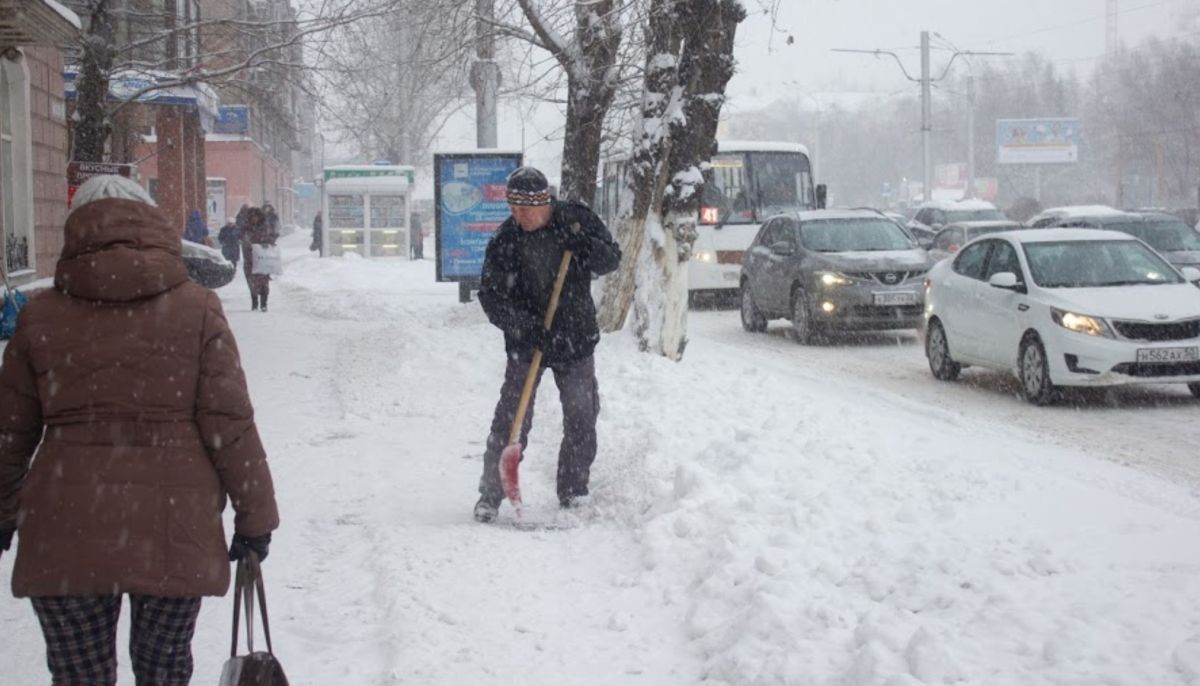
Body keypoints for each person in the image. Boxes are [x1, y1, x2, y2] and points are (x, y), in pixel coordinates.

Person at [0, 174, 279, 685]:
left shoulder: (40, 316)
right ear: (153, 223)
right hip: (174, 524)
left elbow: (10, 431)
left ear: (75, 229)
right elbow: (230, 423)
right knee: (164, 669)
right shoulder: (196, 309)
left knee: (79, 675)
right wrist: (255, 517)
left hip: (65, 525)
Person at [473, 166, 621, 522]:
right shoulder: (506, 239)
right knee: (511, 419)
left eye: (525, 209)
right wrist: (523, 327)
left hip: (575, 338)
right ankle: (491, 495)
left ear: (544, 203)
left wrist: (584, 245)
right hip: (527, 343)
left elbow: (612, 258)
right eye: (513, 208)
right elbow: (491, 297)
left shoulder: (575, 222)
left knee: (581, 415)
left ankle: (573, 491)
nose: (518, 216)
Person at [241, 207, 275, 312]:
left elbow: (271, 239)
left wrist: (266, 243)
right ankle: (254, 303)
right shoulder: (246, 229)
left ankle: (264, 304)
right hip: (250, 261)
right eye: (252, 217)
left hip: (262, 260)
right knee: (252, 283)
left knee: (264, 283)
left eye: (256, 216)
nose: (254, 219)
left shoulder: (265, 227)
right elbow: (244, 242)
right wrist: (249, 247)